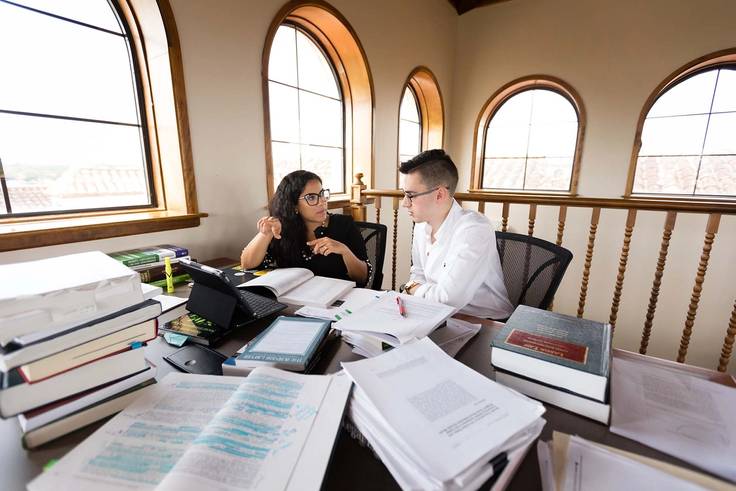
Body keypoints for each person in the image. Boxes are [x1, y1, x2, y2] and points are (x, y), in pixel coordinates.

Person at [399, 149, 514, 320]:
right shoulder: (420, 226)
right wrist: (415, 288)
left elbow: (447, 299)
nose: (404, 203)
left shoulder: (474, 229)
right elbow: (418, 273)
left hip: (485, 322)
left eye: (411, 195)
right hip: (437, 315)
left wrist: (411, 288)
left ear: (439, 194)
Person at [241, 170, 369, 286]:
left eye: (322, 194)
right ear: (294, 205)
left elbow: (362, 278)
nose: (322, 201)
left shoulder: (344, 224)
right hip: (293, 303)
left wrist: (344, 251)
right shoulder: (282, 228)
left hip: (337, 302)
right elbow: (247, 265)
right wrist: (265, 234)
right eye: (311, 197)